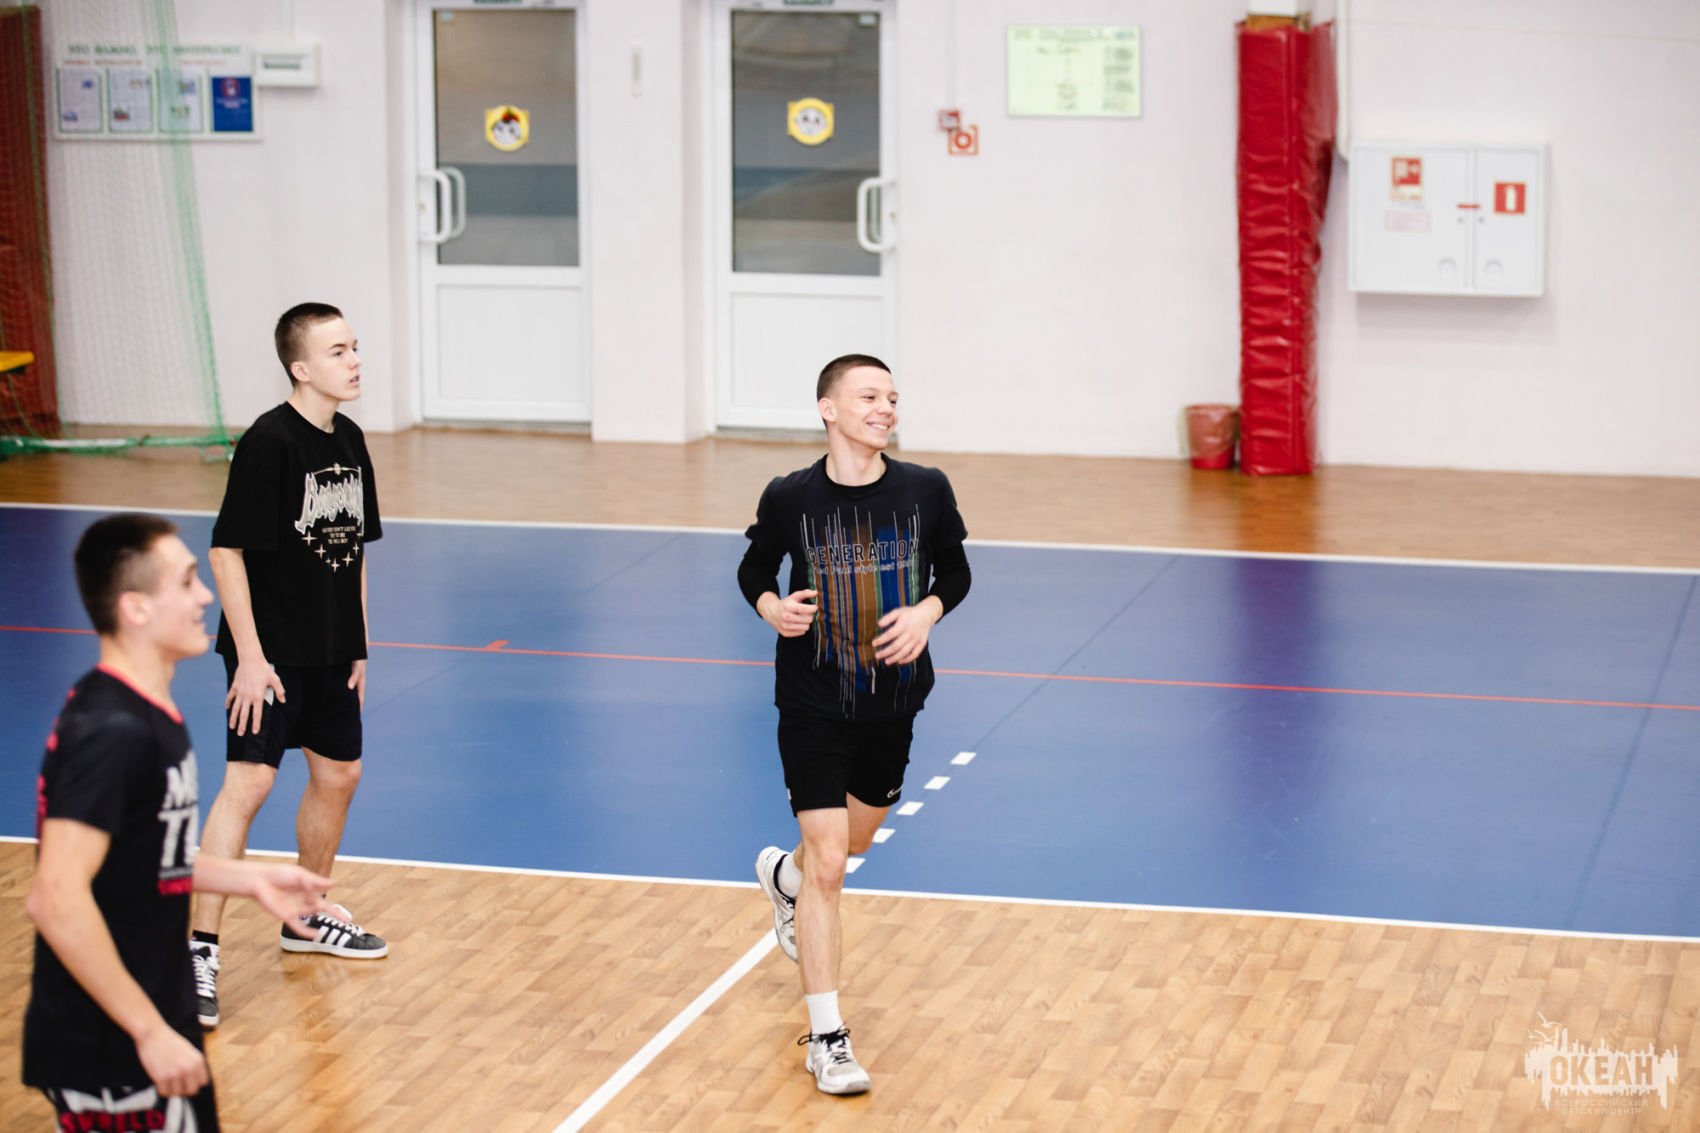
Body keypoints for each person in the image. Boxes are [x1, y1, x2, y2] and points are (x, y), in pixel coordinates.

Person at [24, 513, 333, 1130]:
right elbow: (54, 899)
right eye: (188, 582)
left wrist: (249, 880)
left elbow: (143, 855)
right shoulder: (111, 730)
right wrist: (147, 1031)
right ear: (136, 608)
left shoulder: (150, 712)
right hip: (110, 1045)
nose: (206, 597)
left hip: (155, 1018)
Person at [739, 354, 971, 1095]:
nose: (885, 408)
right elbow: (754, 569)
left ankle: (783, 877)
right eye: (869, 395)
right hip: (811, 699)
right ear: (828, 409)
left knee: (854, 842)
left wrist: (927, 612)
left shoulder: (925, 490)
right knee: (832, 862)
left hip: (892, 702)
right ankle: (828, 1038)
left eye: (892, 397)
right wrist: (772, 608)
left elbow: (956, 573)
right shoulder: (791, 497)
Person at [189, 302, 387, 1030]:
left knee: (340, 774)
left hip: (331, 648)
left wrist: (358, 638)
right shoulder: (268, 443)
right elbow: (225, 551)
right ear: (301, 367)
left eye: (355, 347)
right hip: (269, 654)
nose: (355, 360)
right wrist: (248, 656)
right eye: (338, 351)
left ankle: (305, 914)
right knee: (250, 783)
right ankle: (199, 951)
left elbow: (354, 546)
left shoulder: (351, 439)